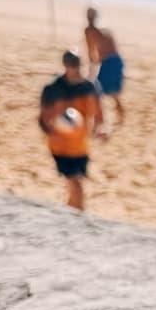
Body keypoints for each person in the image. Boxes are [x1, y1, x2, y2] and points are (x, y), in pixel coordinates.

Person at [39, 51, 105, 210]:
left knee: (75, 189)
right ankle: (77, 222)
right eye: (72, 66)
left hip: (81, 148)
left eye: (77, 65)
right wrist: (51, 130)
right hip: (60, 147)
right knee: (77, 187)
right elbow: (42, 119)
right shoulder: (53, 89)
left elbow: (99, 116)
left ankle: (67, 217)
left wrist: (100, 130)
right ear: (66, 66)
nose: (75, 69)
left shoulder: (89, 87)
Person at [84, 7, 126, 126]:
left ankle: (99, 121)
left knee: (97, 90)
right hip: (116, 61)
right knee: (112, 92)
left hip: (109, 62)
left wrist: (91, 71)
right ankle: (120, 115)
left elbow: (91, 52)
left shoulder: (89, 30)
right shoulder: (105, 30)